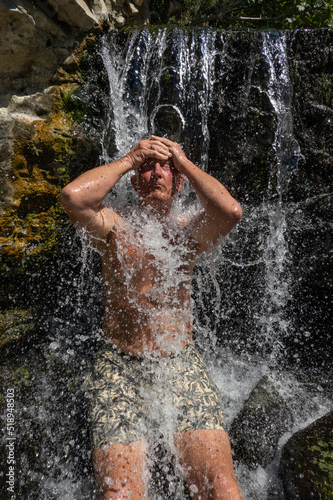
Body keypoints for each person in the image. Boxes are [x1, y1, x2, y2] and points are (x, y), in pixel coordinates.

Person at [60, 135, 243, 500]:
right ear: (134, 181)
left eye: (165, 169)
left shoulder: (188, 231)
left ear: (178, 183)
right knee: (120, 495)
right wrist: (131, 157)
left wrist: (183, 161)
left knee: (220, 489)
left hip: (179, 365)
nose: (156, 173)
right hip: (119, 369)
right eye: (147, 168)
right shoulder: (114, 225)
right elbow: (73, 197)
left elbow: (230, 212)